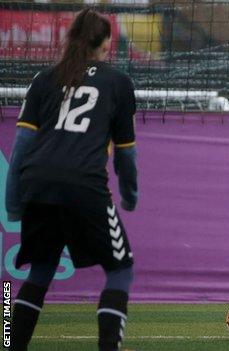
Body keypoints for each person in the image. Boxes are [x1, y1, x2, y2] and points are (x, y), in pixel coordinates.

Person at [5, 8, 138, 351]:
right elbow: (126, 152)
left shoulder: (44, 79)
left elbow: (21, 149)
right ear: (106, 41)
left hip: (39, 186)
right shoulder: (118, 82)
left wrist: (13, 202)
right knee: (121, 267)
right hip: (85, 186)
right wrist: (129, 194)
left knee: (41, 270)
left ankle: (10, 344)